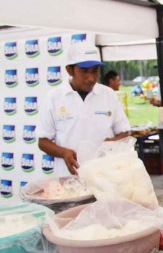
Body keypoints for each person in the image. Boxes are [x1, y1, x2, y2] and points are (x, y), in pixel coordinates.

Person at [38, 43, 130, 176]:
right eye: (84, 71)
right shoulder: (54, 98)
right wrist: (64, 152)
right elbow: (43, 142)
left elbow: (124, 131)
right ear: (70, 70)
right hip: (70, 177)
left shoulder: (108, 94)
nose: (91, 77)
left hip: (106, 176)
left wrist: (113, 143)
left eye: (95, 70)